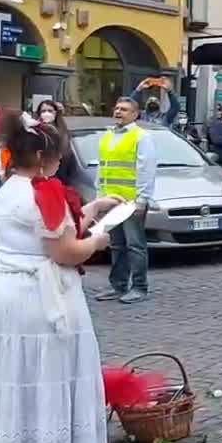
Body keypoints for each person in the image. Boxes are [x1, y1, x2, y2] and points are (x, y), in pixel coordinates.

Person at [0, 111, 116, 443]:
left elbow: (42, 231)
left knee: (15, 373)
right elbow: (65, 250)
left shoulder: (7, 189)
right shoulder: (44, 192)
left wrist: (93, 209)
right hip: (44, 296)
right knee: (49, 371)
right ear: (46, 158)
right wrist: (97, 241)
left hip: (8, 290)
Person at [94, 98, 155, 304]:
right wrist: (98, 198)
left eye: (125, 109)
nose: (119, 112)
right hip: (111, 200)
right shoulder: (108, 135)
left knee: (135, 245)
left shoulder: (141, 137)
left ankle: (139, 287)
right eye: (117, 108)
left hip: (130, 200)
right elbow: (102, 168)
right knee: (117, 245)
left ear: (135, 114)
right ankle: (118, 285)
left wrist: (142, 200)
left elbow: (146, 170)